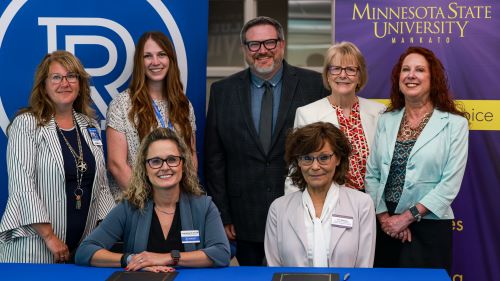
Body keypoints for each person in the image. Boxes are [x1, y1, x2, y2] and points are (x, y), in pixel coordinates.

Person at [204, 16, 328, 265]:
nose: (262, 50)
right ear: (244, 50)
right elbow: (214, 158)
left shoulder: (315, 85)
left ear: (282, 45)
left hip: (302, 211)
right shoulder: (222, 91)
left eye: (269, 42)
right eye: (254, 45)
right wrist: (223, 214)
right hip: (242, 217)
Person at [0, 51, 115, 263]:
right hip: (34, 247)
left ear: (80, 84)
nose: (65, 83)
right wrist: (50, 237)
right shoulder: (26, 124)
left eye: (72, 76)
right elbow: (22, 187)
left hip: (80, 249)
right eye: (56, 77)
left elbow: (101, 187)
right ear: (43, 85)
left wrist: (105, 233)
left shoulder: (89, 126)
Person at [365, 46, 469, 273]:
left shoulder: (455, 124)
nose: (411, 75)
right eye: (406, 69)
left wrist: (407, 217)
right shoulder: (386, 120)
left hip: (429, 224)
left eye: (420, 70)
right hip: (385, 225)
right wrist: (384, 218)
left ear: (433, 79)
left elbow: (450, 184)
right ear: (398, 78)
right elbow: (372, 173)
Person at [75, 128, 230, 271]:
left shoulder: (204, 206)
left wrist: (167, 258)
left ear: (182, 164)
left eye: (172, 159)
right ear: (145, 169)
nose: (164, 167)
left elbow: (221, 254)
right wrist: (132, 259)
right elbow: (85, 251)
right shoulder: (129, 207)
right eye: (155, 161)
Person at [265, 122, 376, 267]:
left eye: (324, 158)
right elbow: (274, 268)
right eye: (307, 158)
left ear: (338, 159)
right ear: (298, 161)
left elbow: (364, 268)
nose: (315, 166)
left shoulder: (362, 204)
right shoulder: (278, 208)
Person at [286, 41, 385, 194]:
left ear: (360, 76)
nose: (343, 75)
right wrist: (294, 211)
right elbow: (296, 170)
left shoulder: (379, 112)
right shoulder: (307, 114)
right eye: (336, 69)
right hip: (327, 203)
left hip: (373, 203)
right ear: (327, 74)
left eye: (351, 69)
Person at [106, 31, 197, 197]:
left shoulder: (184, 105)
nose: (155, 62)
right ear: (140, 62)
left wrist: (177, 201)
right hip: (135, 205)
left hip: (175, 204)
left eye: (161, 54)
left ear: (170, 59)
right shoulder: (122, 104)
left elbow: (191, 157)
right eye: (147, 56)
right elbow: (116, 164)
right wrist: (151, 202)